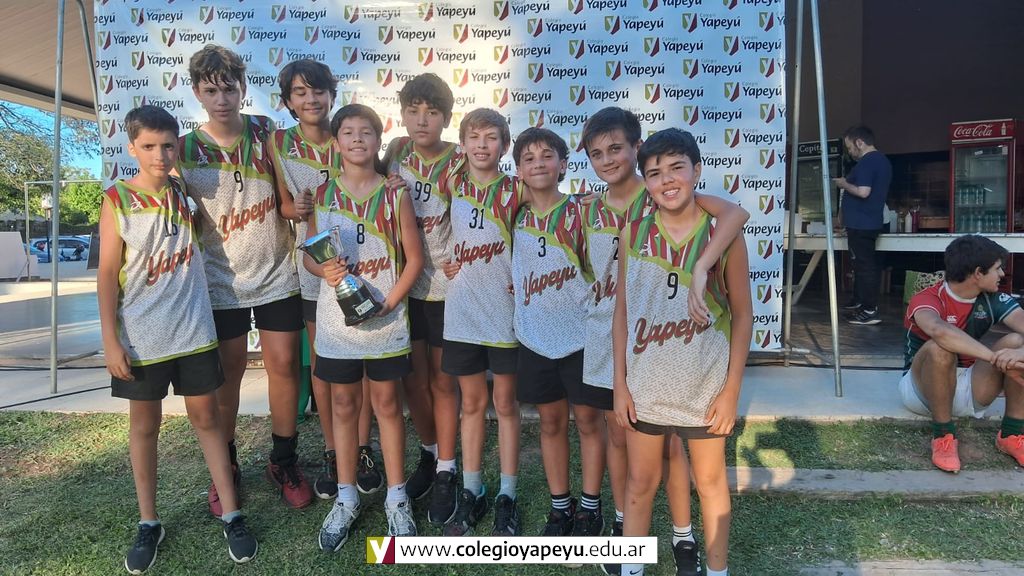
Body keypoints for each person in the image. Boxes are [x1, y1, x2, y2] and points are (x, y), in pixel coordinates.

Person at [579, 107, 749, 576]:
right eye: (654, 173)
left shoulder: (722, 237)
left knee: (710, 483)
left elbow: (742, 316)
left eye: (677, 168)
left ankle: (716, 569)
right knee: (639, 483)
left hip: (705, 387)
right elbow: (622, 315)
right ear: (645, 180)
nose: (667, 180)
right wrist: (620, 385)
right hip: (646, 386)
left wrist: (732, 390)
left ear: (697, 170)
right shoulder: (632, 233)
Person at [98, 105, 258, 573]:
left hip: (194, 331)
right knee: (145, 426)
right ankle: (148, 521)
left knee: (207, 418)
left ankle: (232, 514)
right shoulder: (118, 199)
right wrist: (110, 341)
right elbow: (106, 275)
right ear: (132, 148)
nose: (160, 155)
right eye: (149, 146)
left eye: (168, 145)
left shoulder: (185, 194)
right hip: (142, 338)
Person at [178, 45, 312, 515]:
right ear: (197, 93)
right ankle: (227, 465)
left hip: (277, 272)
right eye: (211, 90)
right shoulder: (183, 149)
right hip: (221, 282)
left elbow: (289, 191)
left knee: (284, 367)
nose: (221, 99)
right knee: (228, 373)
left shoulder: (266, 132)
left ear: (243, 88)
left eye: (229, 89)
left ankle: (284, 461)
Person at [309, 104, 424, 550]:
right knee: (342, 405)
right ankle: (346, 497)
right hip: (337, 324)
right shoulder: (324, 194)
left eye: (366, 132)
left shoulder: (395, 193)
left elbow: (414, 259)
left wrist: (389, 303)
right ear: (336, 141)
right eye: (348, 132)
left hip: (386, 322)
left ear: (379, 140)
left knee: (388, 406)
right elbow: (310, 255)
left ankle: (397, 498)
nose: (357, 139)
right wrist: (323, 270)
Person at [269, 59, 384, 500]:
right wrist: (295, 209)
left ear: (332, 95)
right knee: (324, 365)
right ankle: (335, 452)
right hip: (316, 271)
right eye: (300, 93)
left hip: (363, 266)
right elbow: (282, 204)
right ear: (288, 101)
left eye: (318, 91)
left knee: (363, 362)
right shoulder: (278, 142)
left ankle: (363, 448)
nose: (310, 99)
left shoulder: (349, 134)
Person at [509, 127, 603, 537]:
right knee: (550, 423)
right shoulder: (514, 213)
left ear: (564, 165)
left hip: (582, 337)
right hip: (535, 337)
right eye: (528, 159)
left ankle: (590, 507)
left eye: (548, 156)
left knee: (588, 421)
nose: (539, 164)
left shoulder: (583, 211)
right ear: (518, 171)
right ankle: (560, 506)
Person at [382, 73, 463, 525]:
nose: (422, 120)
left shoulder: (461, 158)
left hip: (447, 290)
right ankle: (429, 453)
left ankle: (448, 468)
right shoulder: (395, 152)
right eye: (413, 111)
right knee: (412, 379)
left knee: (443, 381)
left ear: (446, 118)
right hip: (403, 285)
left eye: (432, 112)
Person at [437, 109, 523, 536]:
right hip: (463, 311)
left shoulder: (518, 188)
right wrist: (446, 260)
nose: (482, 144)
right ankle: (472, 489)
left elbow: (544, 224)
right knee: (471, 403)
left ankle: (508, 493)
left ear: (505, 146)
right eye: (474, 137)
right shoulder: (452, 180)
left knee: (505, 404)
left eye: (491, 137)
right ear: (463, 144)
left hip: (504, 313)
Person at [900, 234, 1024, 473]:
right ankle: (943, 436)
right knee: (940, 347)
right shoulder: (927, 297)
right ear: (978, 273)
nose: (1002, 274)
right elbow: (939, 331)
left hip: (970, 387)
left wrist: (1019, 354)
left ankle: (1012, 433)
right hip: (921, 391)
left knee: (1016, 343)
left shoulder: (993, 299)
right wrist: (994, 358)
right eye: (997, 268)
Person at [833, 125, 891, 326]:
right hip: (867, 221)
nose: (850, 152)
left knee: (864, 266)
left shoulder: (868, 161)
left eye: (850, 147)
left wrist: (844, 184)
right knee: (864, 265)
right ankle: (862, 304)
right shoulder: (881, 161)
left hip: (862, 223)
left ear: (859, 142)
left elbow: (863, 192)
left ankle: (869, 309)